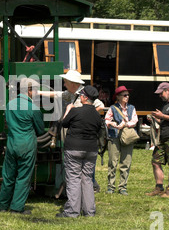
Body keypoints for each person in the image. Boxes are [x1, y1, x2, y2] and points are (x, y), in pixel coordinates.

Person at [0, 77, 44, 214]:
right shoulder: (33, 108)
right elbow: (40, 130)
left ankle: (2, 206)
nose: (36, 93)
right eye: (35, 90)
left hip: (11, 144)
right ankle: (16, 208)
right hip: (27, 145)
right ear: (29, 91)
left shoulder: (9, 105)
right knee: (23, 177)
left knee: (8, 176)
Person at [56, 85, 102, 218]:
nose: (80, 96)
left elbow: (64, 123)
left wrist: (68, 109)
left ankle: (72, 211)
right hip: (91, 150)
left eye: (81, 95)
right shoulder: (97, 115)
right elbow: (98, 131)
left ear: (85, 97)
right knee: (87, 179)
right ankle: (89, 211)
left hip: (74, 148)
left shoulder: (76, 111)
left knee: (73, 179)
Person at [104, 86, 138, 195]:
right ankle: (111, 186)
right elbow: (106, 120)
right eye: (124, 95)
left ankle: (123, 186)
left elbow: (135, 120)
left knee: (126, 162)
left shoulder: (132, 108)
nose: (127, 97)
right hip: (114, 136)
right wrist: (112, 123)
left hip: (127, 136)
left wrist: (125, 124)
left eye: (128, 95)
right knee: (112, 162)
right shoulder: (113, 108)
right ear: (118, 97)